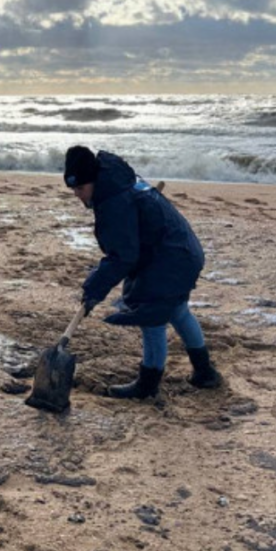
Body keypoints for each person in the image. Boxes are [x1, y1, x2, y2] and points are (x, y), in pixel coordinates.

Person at [65, 145, 222, 399]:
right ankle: (205, 373)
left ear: (93, 180)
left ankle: (147, 386)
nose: (77, 195)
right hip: (183, 250)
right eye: (73, 189)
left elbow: (122, 257)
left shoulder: (114, 201)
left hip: (169, 258)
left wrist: (94, 288)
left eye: (80, 188)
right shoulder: (119, 181)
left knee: (151, 317)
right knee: (178, 310)